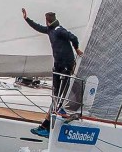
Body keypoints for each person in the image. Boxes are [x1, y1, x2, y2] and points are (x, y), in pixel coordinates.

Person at [23, 8, 81, 138]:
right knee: (55, 94)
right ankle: (46, 126)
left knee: (61, 95)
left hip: (66, 66)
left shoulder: (59, 30)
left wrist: (77, 49)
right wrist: (27, 19)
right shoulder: (49, 30)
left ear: (47, 20)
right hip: (58, 66)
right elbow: (38, 27)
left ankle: (49, 124)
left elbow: (73, 37)